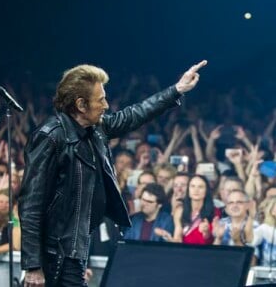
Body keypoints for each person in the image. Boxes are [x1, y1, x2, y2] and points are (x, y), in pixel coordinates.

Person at [18, 60, 207, 286]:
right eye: (101, 99)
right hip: (54, 251)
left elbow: (135, 114)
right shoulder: (51, 137)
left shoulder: (96, 129)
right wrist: (32, 265)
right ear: (80, 104)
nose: (106, 105)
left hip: (76, 246)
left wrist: (176, 90)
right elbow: (31, 204)